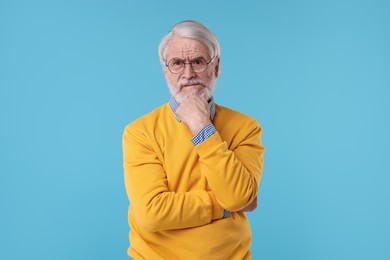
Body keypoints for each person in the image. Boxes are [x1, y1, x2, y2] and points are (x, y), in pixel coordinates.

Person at [122, 20, 265, 259]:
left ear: (216, 67)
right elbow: (151, 213)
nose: (188, 74)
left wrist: (202, 127)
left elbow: (238, 197)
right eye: (177, 63)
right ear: (165, 71)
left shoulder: (246, 127)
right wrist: (224, 206)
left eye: (198, 62)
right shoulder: (140, 131)